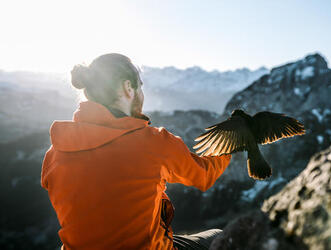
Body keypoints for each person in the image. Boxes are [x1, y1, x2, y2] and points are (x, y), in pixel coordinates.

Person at [41, 53, 232, 250]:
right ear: (128, 88)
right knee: (219, 237)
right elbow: (204, 175)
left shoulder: (54, 153)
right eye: (140, 86)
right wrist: (228, 145)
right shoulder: (154, 143)